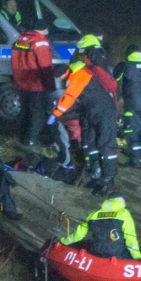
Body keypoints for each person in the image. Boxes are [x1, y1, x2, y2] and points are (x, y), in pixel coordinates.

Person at [50, 39, 120, 193]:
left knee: (105, 143)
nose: (61, 82)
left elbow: (69, 97)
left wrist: (55, 113)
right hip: (92, 111)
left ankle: (108, 178)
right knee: (90, 142)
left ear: (64, 74)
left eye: (60, 79)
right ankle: (95, 174)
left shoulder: (77, 76)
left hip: (104, 111)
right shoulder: (75, 74)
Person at [114, 44, 141, 167]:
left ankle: (135, 161)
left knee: (133, 132)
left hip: (132, 104)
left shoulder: (125, 66)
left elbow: (114, 78)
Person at [10, 26, 56, 147]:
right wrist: (50, 86)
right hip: (36, 84)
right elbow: (45, 67)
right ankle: (32, 141)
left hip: (21, 83)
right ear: (43, 29)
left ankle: (19, 138)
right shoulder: (40, 42)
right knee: (37, 114)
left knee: (23, 112)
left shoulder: (19, 41)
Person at [58, 196, 141, 259]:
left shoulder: (94, 214)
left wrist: (64, 242)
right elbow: (130, 237)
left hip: (97, 252)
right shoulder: (124, 214)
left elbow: (79, 234)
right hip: (117, 254)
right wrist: (138, 256)